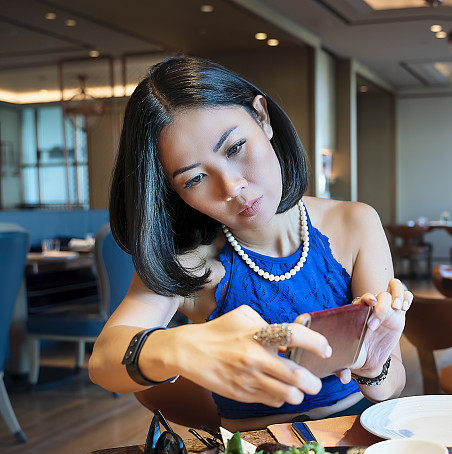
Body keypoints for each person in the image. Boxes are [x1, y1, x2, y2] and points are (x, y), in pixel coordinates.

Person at [88, 56, 411, 429]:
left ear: (262, 117)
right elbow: (102, 361)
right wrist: (180, 345)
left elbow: (391, 385)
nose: (232, 187)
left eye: (235, 148)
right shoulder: (191, 262)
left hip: (356, 438)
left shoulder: (355, 223)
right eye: (194, 179)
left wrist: (372, 364)